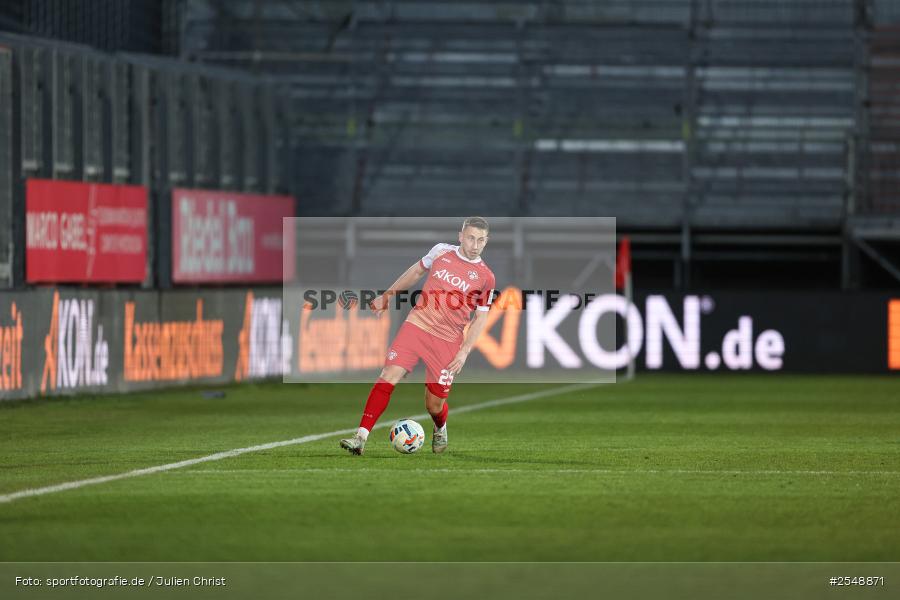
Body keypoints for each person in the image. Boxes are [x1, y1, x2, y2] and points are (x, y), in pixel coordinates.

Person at [340, 217, 496, 455]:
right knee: (388, 374)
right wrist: (388, 295)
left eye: (481, 240)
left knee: (433, 405)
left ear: (487, 241)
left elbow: (481, 317)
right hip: (416, 327)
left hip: (447, 340)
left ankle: (440, 426)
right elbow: (415, 272)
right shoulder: (441, 251)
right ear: (461, 236)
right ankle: (360, 437)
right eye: (471, 238)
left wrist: (464, 352)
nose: (475, 245)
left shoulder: (486, 277)